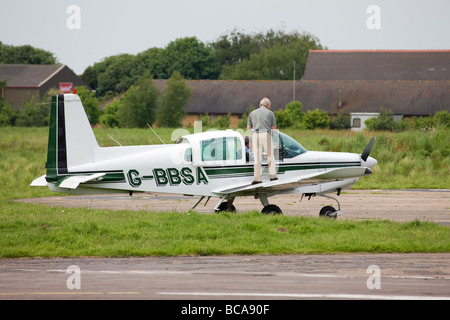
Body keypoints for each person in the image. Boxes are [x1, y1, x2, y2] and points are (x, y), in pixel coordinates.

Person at [247, 97, 277, 184]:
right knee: (270, 155)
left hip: (255, 135)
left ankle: (257, 178)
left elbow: (248, 128)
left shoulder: (252, 113)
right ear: (268, 105)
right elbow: (273, 128)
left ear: (260, 104)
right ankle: (272, 176)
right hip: (266, 134)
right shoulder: (270, 113)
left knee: (257, 157)